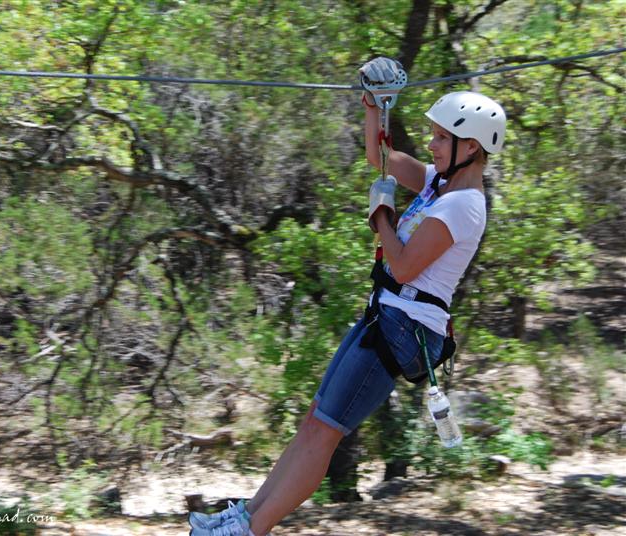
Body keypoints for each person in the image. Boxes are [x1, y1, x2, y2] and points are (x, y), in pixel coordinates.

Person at [188, 57, 506, 536]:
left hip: (403, 330)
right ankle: (246, 516)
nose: (432, 145)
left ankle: (251, 530)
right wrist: (375, 104)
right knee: (315, 420)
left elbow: (402, 264)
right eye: (436, 136)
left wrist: (382, 213)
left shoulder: (464, 205)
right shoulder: (441, 185)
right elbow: (379, 158)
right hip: (386, 318)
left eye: (443, 138)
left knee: (325, 431)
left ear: (472, 146)